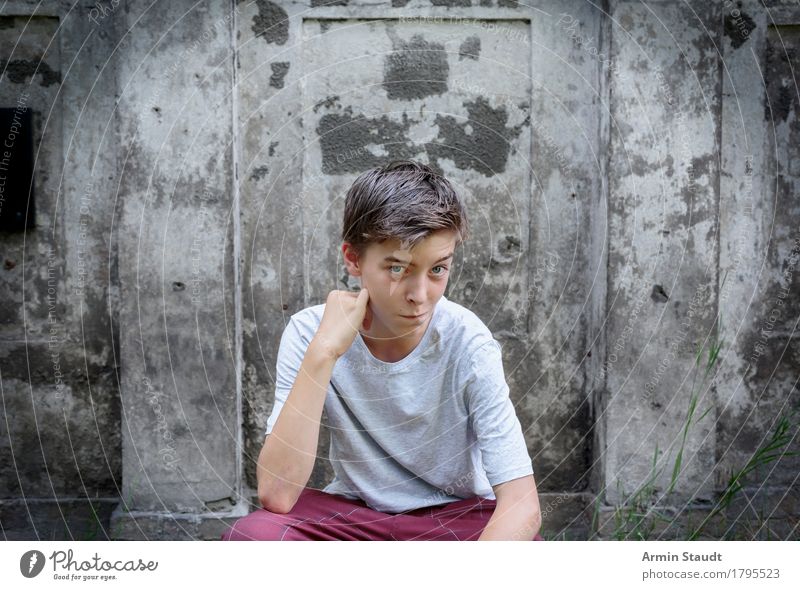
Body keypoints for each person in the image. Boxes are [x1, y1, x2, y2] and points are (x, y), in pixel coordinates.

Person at [221, 160, 543, 541]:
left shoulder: (467, 340)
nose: (420, 296)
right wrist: (324, 352)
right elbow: (276, 493)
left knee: (525, 549)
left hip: (454, 520)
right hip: (355, 518)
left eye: (438, 269)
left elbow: (522, 503)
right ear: (354, 259)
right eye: (397, 269)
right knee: (253, 539)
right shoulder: (311, 332)